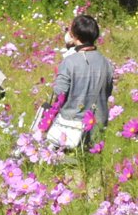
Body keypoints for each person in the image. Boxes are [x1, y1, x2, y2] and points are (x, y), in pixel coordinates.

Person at [40, 14, 115, 155]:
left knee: (71, 167)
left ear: (74, 36)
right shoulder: (107, 63)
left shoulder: (69, 62)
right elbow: (108, 93)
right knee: (91, 163)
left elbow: (60, 93)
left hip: (71, 127)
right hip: (97, 124)